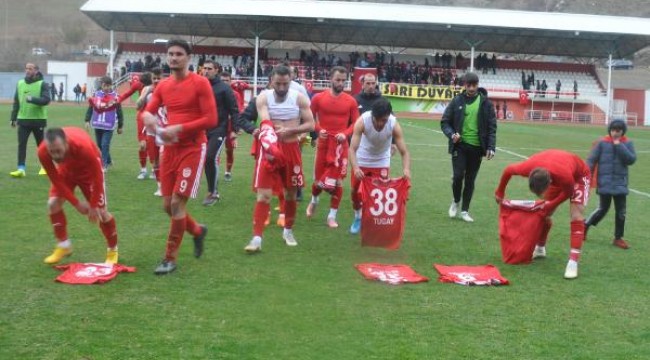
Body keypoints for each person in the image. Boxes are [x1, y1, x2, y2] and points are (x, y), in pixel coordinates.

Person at [142, 39, 216, 275]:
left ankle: (169, 258)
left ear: (188, 58)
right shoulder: (163, 86)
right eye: (171, 54)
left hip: (193, 148)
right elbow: (148, 110)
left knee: (176, 203)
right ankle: (196, 230)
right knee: (167, 205)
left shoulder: (200, 83)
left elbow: (211, 120)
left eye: (179, 54)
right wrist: (148, 118)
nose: (174, 58)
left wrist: (180, 128)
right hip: (170, 150)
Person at [244, 65, 315, 253]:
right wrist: (268, 134)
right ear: (271, 81)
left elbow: (311, 124)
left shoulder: (299, 97)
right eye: (278, 83)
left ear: (291, 80)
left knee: (290, 193)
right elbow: (265, 119)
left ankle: (288, 231)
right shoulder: (263, 97)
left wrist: (291, 130)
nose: (282, 87)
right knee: (264, 195)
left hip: (291, 148)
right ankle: (257, 238)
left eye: (285, 83)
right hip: (269, 149)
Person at [494, 149, 591, 279]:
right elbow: (508, 170)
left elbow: (568, 192)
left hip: (579, 176)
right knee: (544, 214)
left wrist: (551, 204)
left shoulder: (565, 177)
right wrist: (500, 191)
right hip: (555, 168)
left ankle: (573, 262)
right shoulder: (526, 167)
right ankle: (540, 248)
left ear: (550, 182)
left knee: (576, 214)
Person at [38, 127, 119, 265]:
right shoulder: (43, 151)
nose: (56, 156)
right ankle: (64, 245)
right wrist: (76, 203)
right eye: (52, 152)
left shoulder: (84, 148)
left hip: (88, 173)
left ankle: (113, 250)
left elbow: (97, 177)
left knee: (101, 212)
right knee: (52, 204)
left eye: (59, 151)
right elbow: (55, 180)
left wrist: (93, 205)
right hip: (66, 172)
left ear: (66, 143)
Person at [306, 66, 360, 228]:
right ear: (330, 79)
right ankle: (314, 200)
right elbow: (309, 118)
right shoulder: (318, 98)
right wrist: (318, 130)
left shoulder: (350, 101)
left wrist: (345, 133)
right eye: (338, 80)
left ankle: (332, 215)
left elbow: (356, 123)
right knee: (318, 182)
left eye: (344, 80)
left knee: (337, 182)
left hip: (340, 146)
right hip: (323, 145)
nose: (341, 83)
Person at [348, 98, 411, 234]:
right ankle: (358, 216)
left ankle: (373, 222)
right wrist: (356, 167)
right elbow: (352, 149)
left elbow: (404, 152)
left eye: (385, 120)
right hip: (362, 158)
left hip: (381, 160)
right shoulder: (362, 121)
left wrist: (406, 169)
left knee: (378, 193)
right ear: (373, 116)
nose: (382, 123)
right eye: (379, 120)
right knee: (354, 192)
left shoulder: (393, 124)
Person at [440, 72, 497, 222]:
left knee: (470, 180)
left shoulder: (486, 103)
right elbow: (445, 122)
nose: (471, 88)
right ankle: (456, 201)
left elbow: (492, 127)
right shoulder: (457, 100)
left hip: (477, 148)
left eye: (474, 85)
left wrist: (491, 146)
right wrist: (452, 135)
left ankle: (465, 211)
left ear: (478, 85)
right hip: (460, 146)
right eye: (468, 85)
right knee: (458, 176)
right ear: (464, 85)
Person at [202, 60, 257, 205]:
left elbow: (234, 111)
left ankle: (213, 193)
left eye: (209, 68)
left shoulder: (224, 89)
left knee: (210, 158)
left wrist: (234, 129)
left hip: (218, 129)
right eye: (204, 68)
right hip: (201, 129)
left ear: (216, 70)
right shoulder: (200, 86)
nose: (206, 71)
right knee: (204, 160)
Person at [585, 120, 636, 249]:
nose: (615, 133)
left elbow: (631, 160)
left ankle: (618, 238)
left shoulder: (628, 143)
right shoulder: (602, 143)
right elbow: (591, 160)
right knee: (602, 209)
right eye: (613, 130)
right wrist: (586, 175)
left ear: (622, 131)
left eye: (618, 130)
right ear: (610, 130)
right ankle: (585, 226)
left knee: (621, 212)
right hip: (605, 183)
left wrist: (619, 145)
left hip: (620, 184)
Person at [10, 62, 50, 177]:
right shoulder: (20, 83)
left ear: (36, 71)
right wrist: (13, 118)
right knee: (21, 145)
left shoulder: (43, 84)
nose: (27, 70)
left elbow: (46, 100)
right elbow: (16, 101)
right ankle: (21, 169)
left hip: (38, 120)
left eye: (30, 69)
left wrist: (32, 99)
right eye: (26, 68)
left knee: (41, 146)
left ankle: (45, 167)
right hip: (23, 120)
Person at [84, 76, 124, 171]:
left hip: (109, 126)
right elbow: (91, 108)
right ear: (101, 85)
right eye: (104, 86)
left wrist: (120, 126)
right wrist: (87, 120)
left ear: (111, 85)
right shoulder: (96, 95)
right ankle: (109, 161)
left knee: (105, 144)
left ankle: (104, 164)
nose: (106, 88)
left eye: (108, 86)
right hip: (98, 124)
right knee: (99, 145)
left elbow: (119, 112)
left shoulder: (115, 97)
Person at [220, 72, 248, 182]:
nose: (225, 82)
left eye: (227, 80)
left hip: (230, 128)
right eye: (222, 80)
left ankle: (228, 172)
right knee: (213, 152)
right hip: (217, 128)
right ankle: (214, 172)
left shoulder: (235, 94)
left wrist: (235, 130)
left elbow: (238, 112)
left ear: (230, 81)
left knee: (229, 151)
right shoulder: (214, 91)